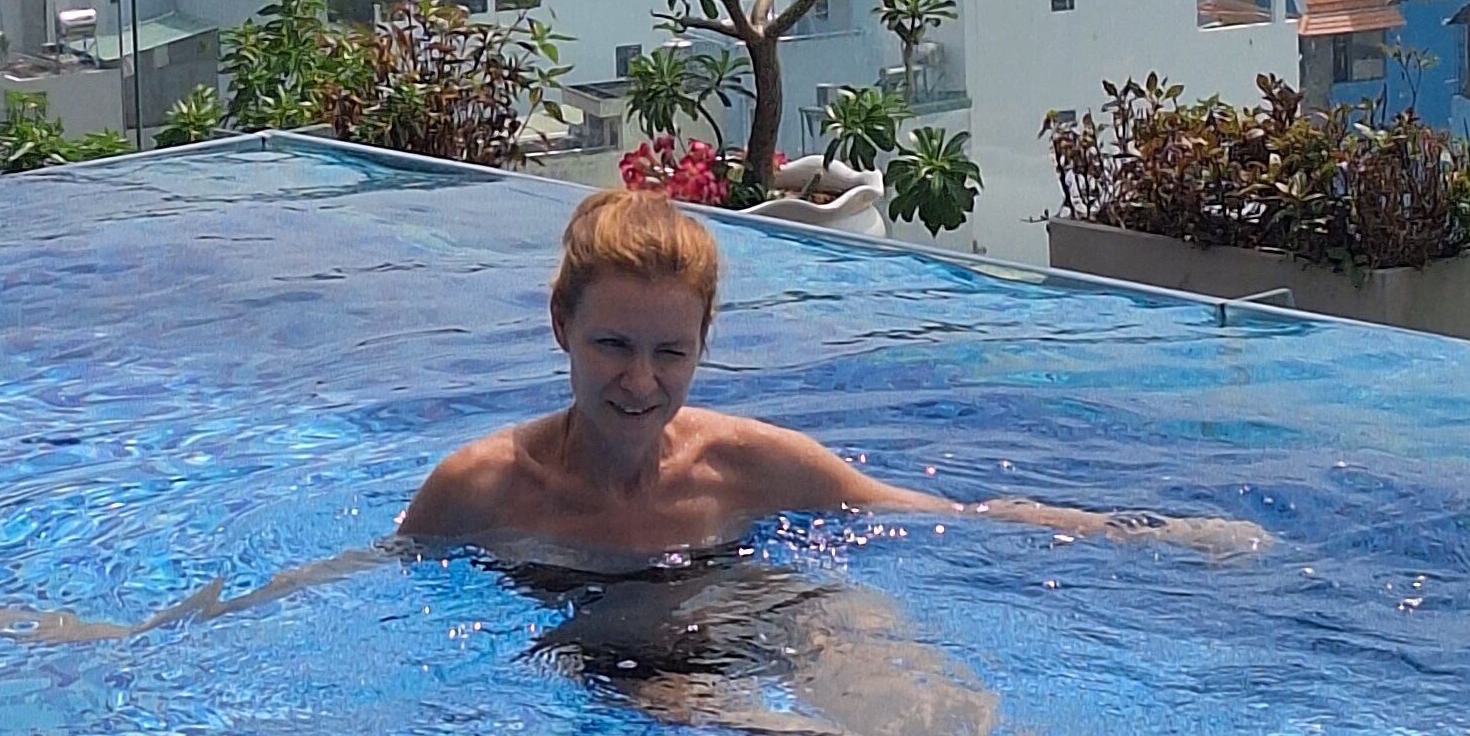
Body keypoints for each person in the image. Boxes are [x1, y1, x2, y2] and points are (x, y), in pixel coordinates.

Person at [402, 184, 1260, 574]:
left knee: (929, 717)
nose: (639, 381)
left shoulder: (743, 466)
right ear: (561, 327)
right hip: (609, 665)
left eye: (671, 355)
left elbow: (946, 517)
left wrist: (1137, 534)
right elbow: (378, 570)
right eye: (612, 345)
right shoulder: (482, 486)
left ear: (704, 345)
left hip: (750, 613)